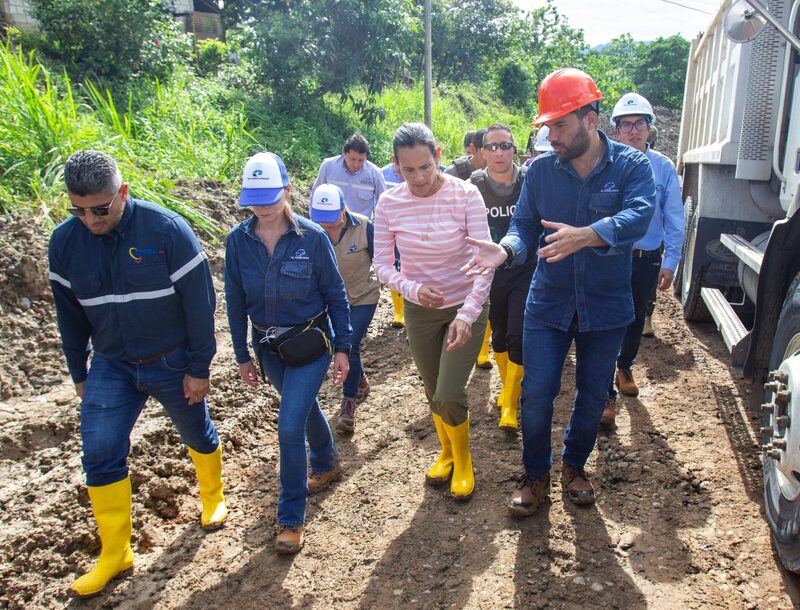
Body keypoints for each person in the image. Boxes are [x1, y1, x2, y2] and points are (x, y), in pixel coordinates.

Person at [462, 68, 655, 515]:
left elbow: (642, 216)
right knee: (535, 394)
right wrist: (505, 251)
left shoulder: (631, 166)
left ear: (590, 119)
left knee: (591, 394)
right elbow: (524, 226)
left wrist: (588, 234)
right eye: (547, 126)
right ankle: (535, 472)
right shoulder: (542, 172)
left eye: (560, 125)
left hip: (605, 307)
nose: (551, 136)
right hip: (547, 304)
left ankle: (573, 465)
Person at [48, 150, 227, 598]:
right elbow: (69, 316)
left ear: (122, 193)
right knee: (100, 450)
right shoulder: (64, 243)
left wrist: (198, 367)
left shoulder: (166, 230)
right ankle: (115, 553)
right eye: (79, 209)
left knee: (194, 430)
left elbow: (200, 303)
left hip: (170, 359)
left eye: (100, 208)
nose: (89, 219)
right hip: (111, 364)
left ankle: (212, 495)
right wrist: (79, 373)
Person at [225, 152, 351, 554]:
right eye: (254, 197)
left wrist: (344, 348)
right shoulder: (237, 241)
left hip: (311, 344)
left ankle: (291, 516)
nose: (262, 205)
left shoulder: (312, 238)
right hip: (269, 349)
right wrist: (242, 352)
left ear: (288, 191)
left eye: (270, 195)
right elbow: (233, 300)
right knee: (302, 408)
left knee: (288, 425)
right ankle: (327, 460)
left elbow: (336, 294)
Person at [374, 122, 492, 501]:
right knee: (432, 391)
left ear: (438, 156)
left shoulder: (466, 195)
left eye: (425, 167)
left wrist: (468, 313)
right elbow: (382, 265)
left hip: (465, 305)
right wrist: (413, 289)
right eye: (408, 170)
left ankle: (464, 459)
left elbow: (485, 260)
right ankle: (445, 452)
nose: (419, 177)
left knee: (449, 391)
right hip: (421, 309)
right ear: (395, 166)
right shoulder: (389, 203)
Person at [601, 93, 684, 427]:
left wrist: (671, 260)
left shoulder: (663, 168)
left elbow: (674, 216)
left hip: (646, 257)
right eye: (625, 125)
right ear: (617, 130)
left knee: (635, 317)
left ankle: (625, 366)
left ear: (650, 128)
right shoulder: (607, 163)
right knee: (606, 319)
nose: (633, 131)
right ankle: (605, 391)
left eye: (639, 124)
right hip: (609, 255)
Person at [470, 123, 535, 431]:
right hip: (490, 274)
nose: (498, 152)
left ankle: (510, 402)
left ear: (514, 149)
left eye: (505, 145)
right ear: (482, 152)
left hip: (526, 268)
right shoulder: (473, 185)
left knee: (519, 334)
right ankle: (507, 386)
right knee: (498, 336)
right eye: (492, 146)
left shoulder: (529, 180)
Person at [309, 183, 379, 434]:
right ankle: (358, 378)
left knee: (348, 343)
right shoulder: (309, 232)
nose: (327, 225)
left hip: (363, 296)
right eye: (321, 219)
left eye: (332, 218)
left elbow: (382, 258)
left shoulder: (364, 227)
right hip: (329, 302)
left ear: (343, 210)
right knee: (337, 345)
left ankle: (348, 402)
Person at [312, 133, 386, 218]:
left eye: (361, 160)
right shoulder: (328, 167)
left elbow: (383, 204)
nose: (356, 164)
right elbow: (315, 194)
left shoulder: (375, 174)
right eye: (352, 159)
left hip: (360, 226)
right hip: (329, 222)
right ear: (343, 152)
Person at [379, 162, 407, 328]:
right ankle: (399, 312)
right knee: (396, 267)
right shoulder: (382, 174)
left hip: (415, 231)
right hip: (392, 230)